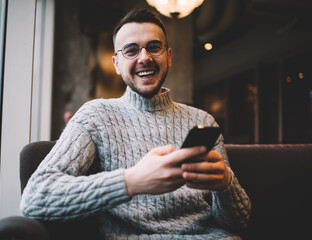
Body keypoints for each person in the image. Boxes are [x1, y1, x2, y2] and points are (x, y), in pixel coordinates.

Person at [20, 9, 251, 239]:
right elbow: (35, 197)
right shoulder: (95, 116)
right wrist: (132, 181)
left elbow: (239, 223)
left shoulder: (202, 120)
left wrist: (226, 185)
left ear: (169, 56)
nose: (144, 57)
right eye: (131, 50)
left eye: (154, 47)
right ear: (117, 64)